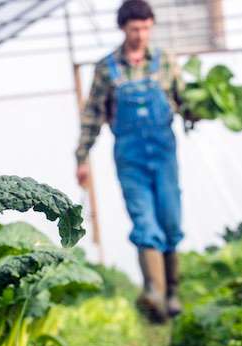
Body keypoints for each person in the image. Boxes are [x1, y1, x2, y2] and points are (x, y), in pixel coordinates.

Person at [74, 0, 192, 322]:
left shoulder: (165, 61)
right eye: (134, 28)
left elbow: (184, 101)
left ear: (151, 26)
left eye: (145, 27)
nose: (140, 34)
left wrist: (199, 109)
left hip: (164, 153)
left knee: (170, 219)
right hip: (130, 156)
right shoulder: (107, 68)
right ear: (123, 29)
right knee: (144, 220)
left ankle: (172, 292)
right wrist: (82, 156)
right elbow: (92, 115)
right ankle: (154, 292)